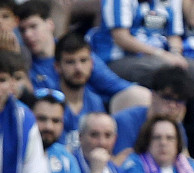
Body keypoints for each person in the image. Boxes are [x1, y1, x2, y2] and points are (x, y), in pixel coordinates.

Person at [17, 0, 151, 115]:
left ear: (50, 24)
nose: (28, 35)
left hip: (93, 118)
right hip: (52, 126)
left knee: (139, 95)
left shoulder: (77, 51)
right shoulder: (25, 64)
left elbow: (116, 85)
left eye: (33, 26)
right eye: (23, 30)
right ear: (57, 66)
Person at [90, 0, 194, 97]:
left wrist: (175, 54)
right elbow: (121, 38)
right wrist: (160, 54)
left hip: (161, 57)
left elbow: (174, 36)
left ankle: (187, 121)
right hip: (120, 58)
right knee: (161, 71)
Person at [29, 87, 85, 173]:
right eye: (41, 119)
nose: (49, 127)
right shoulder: (16, 155)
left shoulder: (64, 156)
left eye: (56, 121)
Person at [113, 65, 193, 159]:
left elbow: (185, 163)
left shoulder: (176, 126)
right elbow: (121, 163)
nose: (172, 105)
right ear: (153, 96)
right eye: (167, 97)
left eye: (179, 100)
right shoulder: (125, 122)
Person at [54, 32, 108, 150]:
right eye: (70, 62)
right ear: (57, 67)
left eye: (83, 60)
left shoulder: (95, 102)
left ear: (92, 64)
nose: (78, 68)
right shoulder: (50, 102)